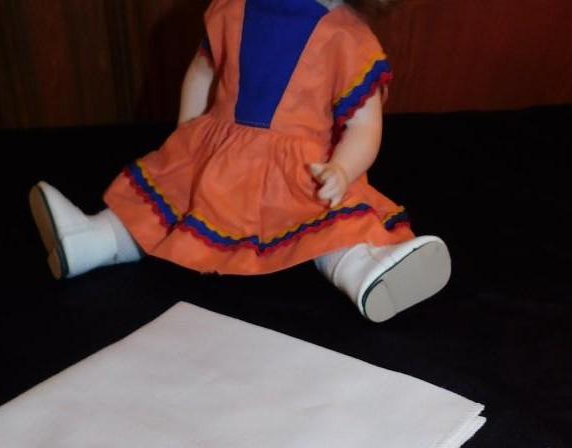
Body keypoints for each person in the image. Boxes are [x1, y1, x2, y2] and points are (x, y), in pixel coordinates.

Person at [30, 0, 450, 322]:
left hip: (299, 166)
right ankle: (94, 240)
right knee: (163, 197)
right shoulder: (231, 8)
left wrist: (342, 168)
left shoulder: (348, 37)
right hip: (217, 148)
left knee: (329, 219)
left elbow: (364, 126)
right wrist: (186, 134)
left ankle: (362, 271)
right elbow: (202, 73)